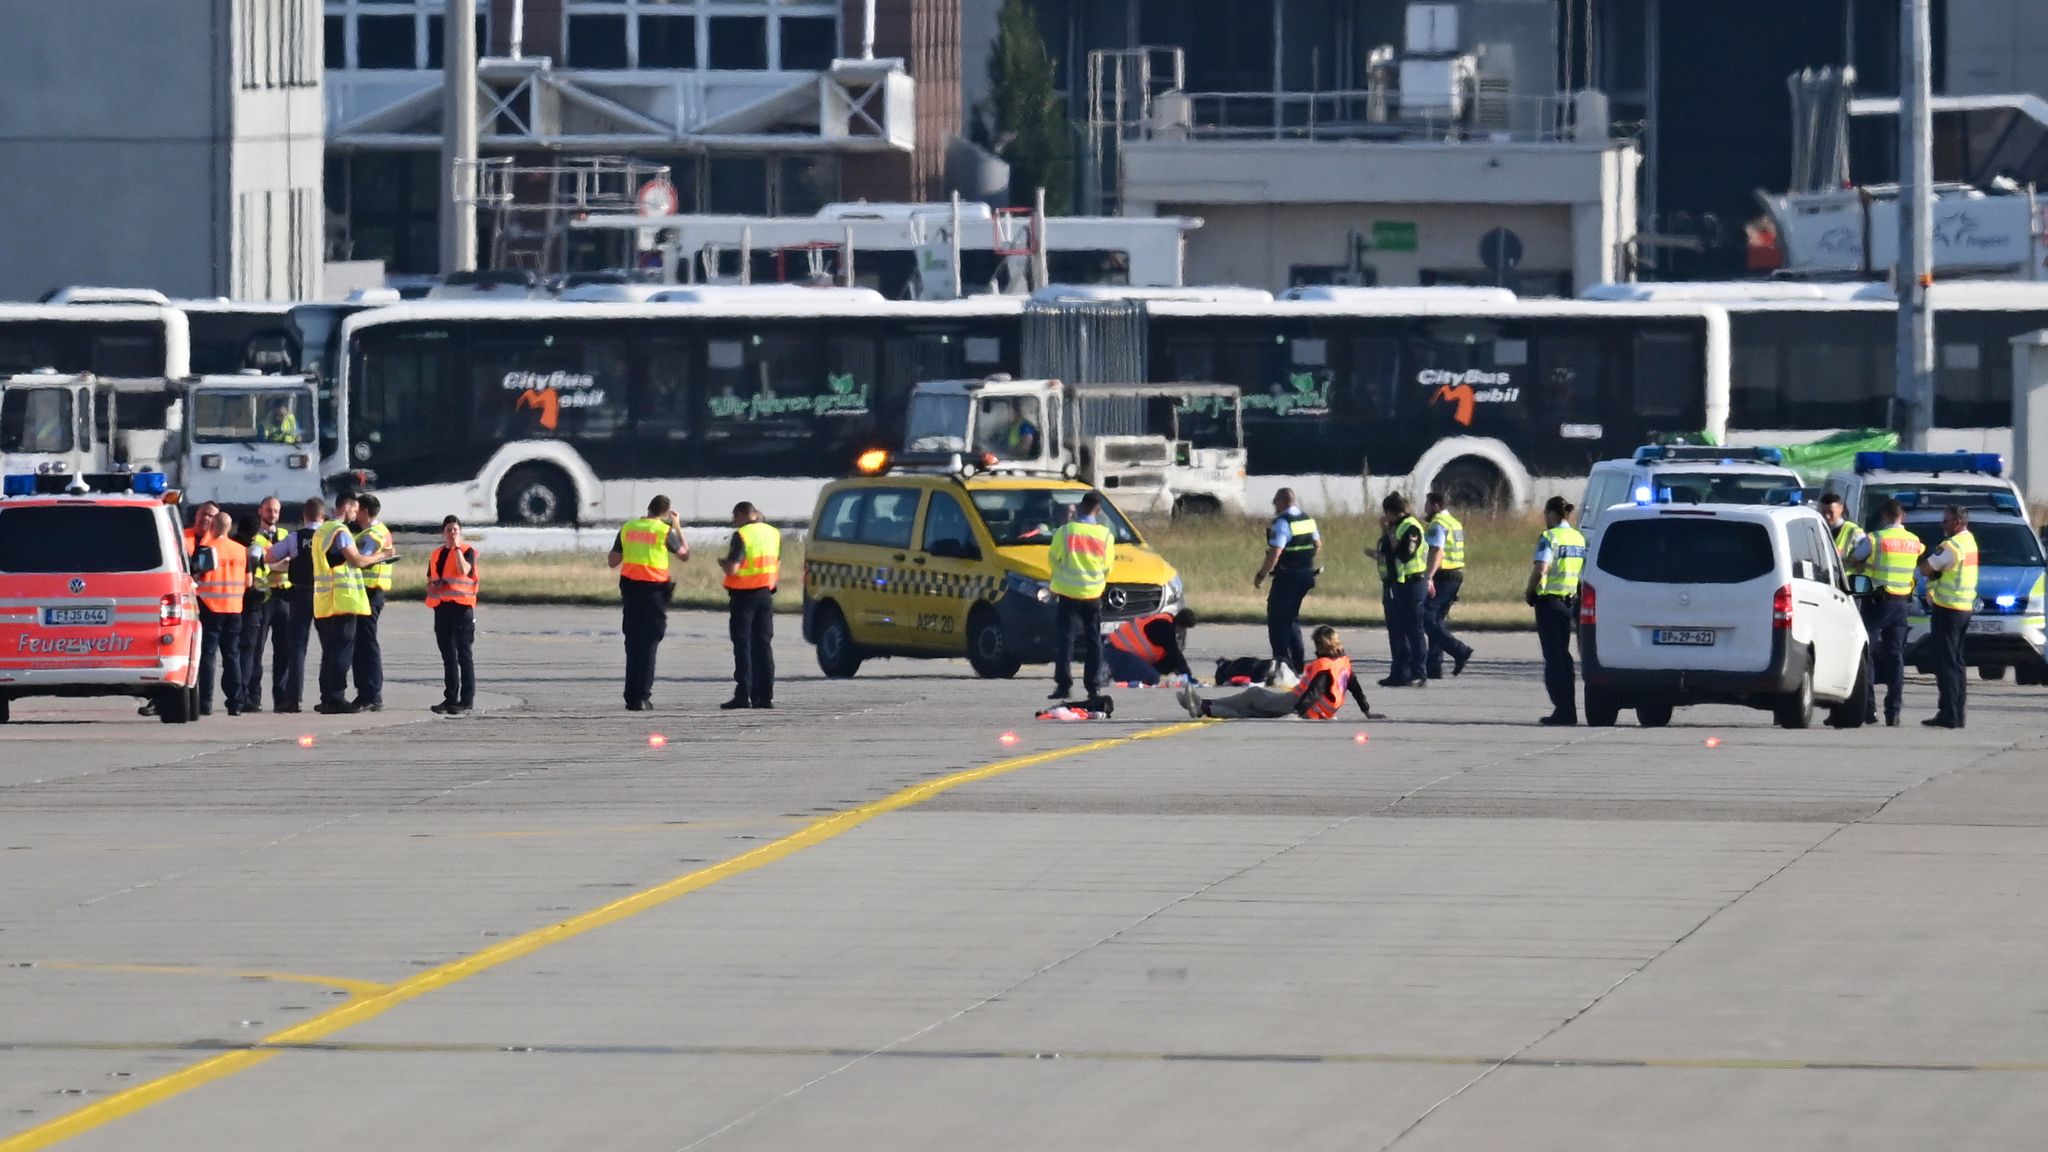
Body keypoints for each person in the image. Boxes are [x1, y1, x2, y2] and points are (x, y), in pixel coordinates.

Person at [1178, 626, 1384, 720]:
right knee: (1250, 710)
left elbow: (1313, 691)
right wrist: (1367, 711)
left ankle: (1203, 705)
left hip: (1299, 705)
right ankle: (1203, 707)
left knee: (1253, 696)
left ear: (1322, 645)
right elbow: (1355, 687)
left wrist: (1296, 713)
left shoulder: (1324, 666)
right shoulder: (1343, 662)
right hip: (1317, 710)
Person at [310, 493, 395, 715]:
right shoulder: (344, 531)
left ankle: (361, 695)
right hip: (348, 597)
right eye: (354, 511)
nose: (355, 516)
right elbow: (355, 559)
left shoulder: (327, 530)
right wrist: (380, 556)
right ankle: (350, 695)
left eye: (358, 512)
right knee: (348, 648)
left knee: (350, 647)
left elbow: (352, 559)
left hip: (349, 596)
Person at [607, 495, 689, 711]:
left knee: (632, 643)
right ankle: (642, 696)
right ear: (666, 513)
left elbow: (613, 561)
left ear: (648, 508)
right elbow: (684, 554)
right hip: (654, 593)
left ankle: (630, 696)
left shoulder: (629, 527)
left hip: (631, 592)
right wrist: (678, 527)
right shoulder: (664, 531)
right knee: (649, 643)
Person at [1855, 499, 1922, 727]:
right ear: (1902, 515)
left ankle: (1868, 709)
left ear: (1884, 515)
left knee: (1868, 654)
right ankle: (1893, 711)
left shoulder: (1875, 539)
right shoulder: (1914, 541)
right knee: (1896, 657)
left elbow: (1856, 557)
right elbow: (1920, 555)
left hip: (1877, 602)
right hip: (1901, 605)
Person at [1047, 491, 1115, 704]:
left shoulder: (1065, 532)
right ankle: (1093, 687)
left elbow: (1053, 559)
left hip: (1068, 593)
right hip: (1092, 595)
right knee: (1094, 641)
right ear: (1098, 510)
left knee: (1066, 640)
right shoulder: (1105, 536)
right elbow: (1107, 567)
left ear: (1079, 507)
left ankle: (1063, 685)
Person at [1918, 503, 1978, 729]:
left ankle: (1949, 714)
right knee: (1956, 663)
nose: (1942, 524)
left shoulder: (1951, 545)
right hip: (1963, 608)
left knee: (1946, 664)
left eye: (1946, 520)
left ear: (1957, 523)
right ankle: (1955, 713)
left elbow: (1926, 567)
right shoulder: (1969, 541)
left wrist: (1932, 570)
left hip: (1948, 609)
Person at [1528, 496, 1586, 726]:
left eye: (1545, 514)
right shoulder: (1578, 538)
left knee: (1553, 659)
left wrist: (1529, 591)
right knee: (1564, 657)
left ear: (1552, 514)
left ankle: (1562, 710)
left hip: (1549, 602)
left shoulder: (1549, 537)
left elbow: (1542, 568)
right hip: (1569, 603)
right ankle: (1568, 708)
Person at [718, 501, 781, 710]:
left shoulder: (742, 535)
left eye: (734, 517)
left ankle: (743, 693)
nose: (734, 522)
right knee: (763, 646)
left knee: (743, 646)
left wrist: (723, 563)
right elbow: (776, 562)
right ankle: (766, 696)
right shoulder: (773, 533)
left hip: (744, 597)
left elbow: (733, 568)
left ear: (742, 514)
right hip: (765, 593)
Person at [191, 505, 248, 717]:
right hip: (234, 609)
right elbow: (248, 580)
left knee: (207, 655)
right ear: (229, 527)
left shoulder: (207, 548)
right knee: (232, 656)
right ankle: (235, 703)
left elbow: (196, 577)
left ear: (213, 526)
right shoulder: (241, 550)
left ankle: (205, 702)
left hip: (210, 607)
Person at [1253, 488, 1319, 673]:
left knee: (1277, 619)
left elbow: (1276, 552)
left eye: (1275, 502)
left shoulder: (1282, 523)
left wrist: (1261, 575)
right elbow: (1317, 545)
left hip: (1287, 576)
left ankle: (1282, 664)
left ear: (1282, 501)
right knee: (1291, 619)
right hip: (1306, 575)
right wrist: (1303, 559)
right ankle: (1298, 663)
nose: (1274, 507)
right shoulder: (1308, 520)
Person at [238, 496, 289, 713]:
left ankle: (283, 698)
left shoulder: (286, 535)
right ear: (260, 511)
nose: (273, 514)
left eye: (276, 511)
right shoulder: (254, 539)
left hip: (285, 597)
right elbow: (261, 565)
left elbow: (292, 563)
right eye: (269, 510)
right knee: (256, 651)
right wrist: (279, 564)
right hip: (263, 599)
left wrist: (275, 563)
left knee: (284, 651)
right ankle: (253, 697)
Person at [426, 516, 479, 716]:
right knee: (448, 655)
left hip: (462, 609)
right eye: (449, 530)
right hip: (442, 608)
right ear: (443, 532)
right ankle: (450, 697)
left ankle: (466, 700)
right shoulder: (436, 554)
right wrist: (433, 586)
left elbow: (464, 570)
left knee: (464, 655)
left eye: (455, 529)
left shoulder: (468, 552)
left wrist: (456, 548)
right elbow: (430, 578)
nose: (452, 533)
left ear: (460, 532)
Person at [1422, 491, 1475, 679]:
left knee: (1426, 616)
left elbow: (1437, 551)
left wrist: (1429, 576)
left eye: (1427, 505)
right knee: (1437, 619)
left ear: (1436, 505)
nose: (1425, 509)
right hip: (1456, 574)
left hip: (1443, 575)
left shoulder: (1438, 524)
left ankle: (1459, 650)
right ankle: (1434, 666)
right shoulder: (1455, 523)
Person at [349, 494, 395, 712]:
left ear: (366, 511)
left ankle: (372, 694)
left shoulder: (373, 535)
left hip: (370, 592)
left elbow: (360, 559)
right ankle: (366, 694)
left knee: (366, 643)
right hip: (368, 592)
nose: (355, 514)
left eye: (358, 510)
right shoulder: (379, 531)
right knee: (361, 642)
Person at [1379, 494, 1428, 688]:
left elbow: (1405, 555)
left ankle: (1419, 673)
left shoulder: (1411, 527)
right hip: (1396, 585)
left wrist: (1389, 533)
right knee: (1396, 630)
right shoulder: (1396, 527)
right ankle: (1399, 671)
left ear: (1391, 512)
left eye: (1386, 513)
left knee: (1414, 630)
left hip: (1413, 584)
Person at [1105, 608, 1197, 686]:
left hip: (1125, 653)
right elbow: (1175, 654)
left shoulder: (1166, 620)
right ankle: (1109, 673)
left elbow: (1171, 658)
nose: (1181, 633)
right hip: (1117, 650)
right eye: (1183, 629)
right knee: (1153, 678)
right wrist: (1187, 675)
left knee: (1166, 665)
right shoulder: (1164, 626)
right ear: (1181, 625)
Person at [1819, 493, 1866, 571]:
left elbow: (1863, 562)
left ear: (1841, 509)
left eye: (1831, 512)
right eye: (1824, 512)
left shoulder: (1854, 532)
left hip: (1846, 581)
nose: (1827, 516)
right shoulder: (1817, 529)